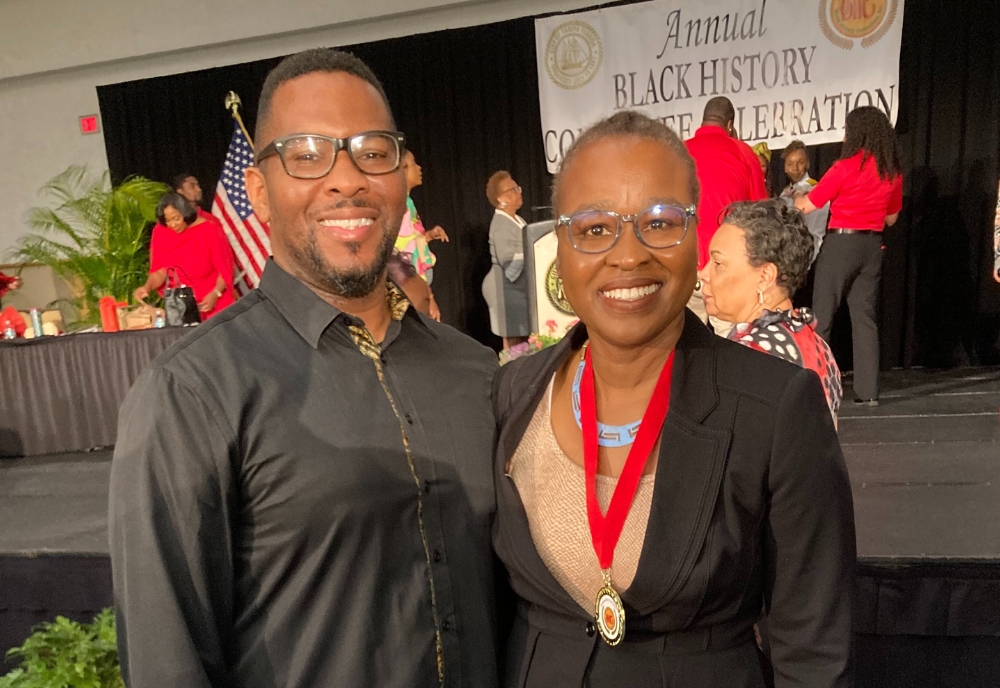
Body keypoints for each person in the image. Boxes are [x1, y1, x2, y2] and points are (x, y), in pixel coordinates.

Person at [110, 48, 501, 688]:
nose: (346, 179)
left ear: (404, 174)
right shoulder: (190, 394)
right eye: (307, 154)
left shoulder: (477, 371)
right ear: (259, 192)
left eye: (372, 151)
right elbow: (167, 663)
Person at [491, 110, 855, 688]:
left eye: (660, 222)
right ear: (559, 248)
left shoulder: (777, 407)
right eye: (593, 228)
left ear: (696, 236)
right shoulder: (514, 392)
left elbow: (813, 652)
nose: (629, 254)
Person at [796, 106, 903, 406]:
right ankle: (868, 392)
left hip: (841, 245)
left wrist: (793, 200)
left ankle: (817, 389)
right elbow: (892, 219)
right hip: (872, 248)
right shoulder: (890, 171)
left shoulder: (844, 167)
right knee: (864, 318)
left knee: (823, 315)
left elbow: (810, 204)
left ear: (855, 132)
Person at [699, 200, 843, 421]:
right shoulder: (818, 346)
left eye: (718, 263)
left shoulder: (748, 357)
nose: (704, 274)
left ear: (765, 276)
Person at [685, 97, 767, 334]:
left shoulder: (679, 151)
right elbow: (760, 213)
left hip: (687, 263)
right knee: (730, 342)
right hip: (726, 265)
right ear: (729, 124)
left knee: (688, 345)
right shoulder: (742, 152)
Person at [134, 193, 235, 319]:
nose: (173, 225)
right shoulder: (160, 232)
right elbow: (160, 271)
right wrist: (146, 287)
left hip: (214, 303)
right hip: (180, 306)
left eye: (176, 218)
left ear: (185, 213)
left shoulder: (209, 229)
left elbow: (225, 271)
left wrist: (215, 294)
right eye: (168, 220)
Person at [396, 150, 447, 320]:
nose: (419, 168)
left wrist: (428, 236)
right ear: (403, 169)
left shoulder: (408, 202)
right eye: (413, 163)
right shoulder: (400, 206)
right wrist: (428, 296)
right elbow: (404, 255)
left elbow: (409, 241)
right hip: (412, 287)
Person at [482, 170, 531, 348]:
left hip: (516, 289)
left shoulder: (517, 219)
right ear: (501, 199)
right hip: (505, 289)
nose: (519, 192)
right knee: (514, 340)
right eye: (513, 189)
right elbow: (508, 261)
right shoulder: (501, 224)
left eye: (518, 188)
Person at [779, 140, 829, 262]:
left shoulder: (815, 190)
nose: (795, 168)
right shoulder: (785, 193)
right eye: (790, 163)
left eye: (800, 162)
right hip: (788, 255)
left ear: (808, 163)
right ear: (785, 167)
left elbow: (814, 231)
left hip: (808, 255)